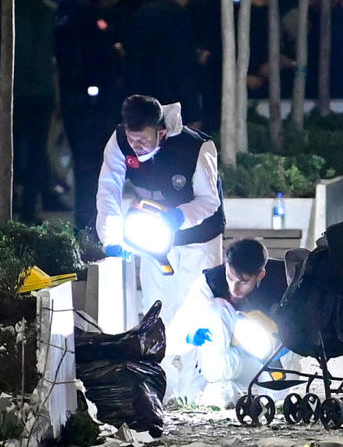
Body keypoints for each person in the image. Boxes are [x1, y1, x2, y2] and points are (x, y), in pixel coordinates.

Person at [96, 95, 225, 331]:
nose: (135, 146)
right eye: (131, 139)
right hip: (153, 238)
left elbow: (209, 201)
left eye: (142, 140)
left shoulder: (197, 147)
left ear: (161, 132)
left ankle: (199, 367)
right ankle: (160, 367)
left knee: (200, 313)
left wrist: (178, 217)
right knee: (157, 313)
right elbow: (108, 191)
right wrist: (111, 238)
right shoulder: (119, 142)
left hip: (199, 240)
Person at [165, 238, 288, 406]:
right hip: (226, 361)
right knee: (217, 308)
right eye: (230, 277)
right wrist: (189, 337)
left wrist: (287, 345)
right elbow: (173, 336)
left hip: (269, 357)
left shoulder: (281, 282)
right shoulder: (210, 283)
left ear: (260, 275)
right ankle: (223, 389)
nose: (234, 288)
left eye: (243, 282)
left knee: (279, 396)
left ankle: (273, 396)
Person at [55, 0, 125, 230]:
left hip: (86, 98)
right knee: (89, 163)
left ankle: (91, 224)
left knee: (94, 163)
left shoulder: (89, 9)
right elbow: (84, 56)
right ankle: (87, 225)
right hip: (86, 101)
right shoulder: (80, 11)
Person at [123, 0, 201, 121]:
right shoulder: (180, 17)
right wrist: (193, 111)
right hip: (175, 99)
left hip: (145, 97)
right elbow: (184, 65)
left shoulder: (140, 14)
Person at [13, 0, 58, 223]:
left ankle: (30, 207)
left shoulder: (48, 8)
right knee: (15, 152)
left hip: (40, 91)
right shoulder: (9, 8)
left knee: (38, 152)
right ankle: (15, 205)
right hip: (16, 91)